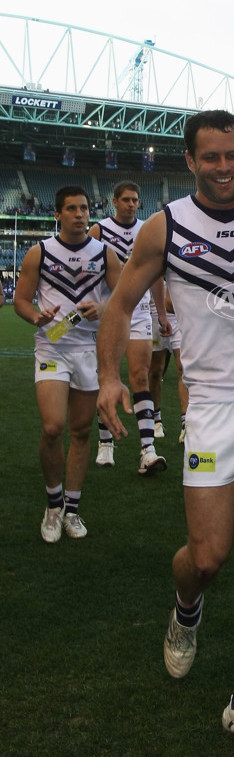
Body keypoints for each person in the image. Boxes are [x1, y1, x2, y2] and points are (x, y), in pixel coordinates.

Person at [96, 110, 234, 757]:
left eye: (233, 154)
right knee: (210, 556)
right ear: (190, 161)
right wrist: (110, 376)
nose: (224, 167)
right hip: (215, 406)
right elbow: (119, 305)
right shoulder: (162, 228)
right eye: (210, 157)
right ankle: (185, 607)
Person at [14, 185, 121, 542]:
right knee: (52, 428)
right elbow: (21, 301)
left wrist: (104, 308)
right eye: (72, 209)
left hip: (90, 348)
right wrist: (37, 318)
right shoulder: (39, 253)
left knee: (80, 432)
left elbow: (123, 301)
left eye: (85, 208)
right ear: (57, 214)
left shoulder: (105, 254)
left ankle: (71, 510)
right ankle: (52, 503)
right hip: (52, 347)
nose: (80, 215)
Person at [89, 180, 169, 474]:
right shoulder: (98, 230)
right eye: (126, 200)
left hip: (138, 313)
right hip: (108, 313)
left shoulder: (147, 230)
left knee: (140, 376)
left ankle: (147, 449)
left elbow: (157, 277)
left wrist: (161, 314)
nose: (131, 204)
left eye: (135, 200)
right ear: (114, 201)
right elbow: (89, 270)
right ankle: (105, 441)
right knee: (106, 376)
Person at [148, 283, 188, 444]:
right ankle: (156, 419)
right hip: (154, 312)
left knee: (183, 369)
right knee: (156, 370)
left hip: (179, 314)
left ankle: (186, 425)